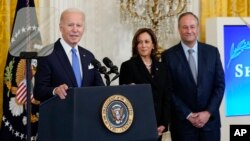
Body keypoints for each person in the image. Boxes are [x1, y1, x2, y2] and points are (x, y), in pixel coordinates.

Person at [161, 12, 225, 141]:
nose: (189, 30)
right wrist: (188, 115)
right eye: (185, 27)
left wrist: (208, 112)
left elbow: (219, 85)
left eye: (192, 26)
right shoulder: (168, 56)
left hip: (210, 124)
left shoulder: (212, 52)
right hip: (183, 126)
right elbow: (168, 90)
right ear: (179, 29)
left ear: (198, 28)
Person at [34, 8, 104, 102]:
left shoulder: (88, 56)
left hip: (86, 114)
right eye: (70, 25)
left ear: (83, 29)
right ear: (61, 28)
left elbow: (101, 89)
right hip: (60, 114)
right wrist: (55, 90)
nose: (75, 30)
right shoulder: (47, 54)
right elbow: (38, 92)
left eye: (79, 25)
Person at [119, 28, 171, 140]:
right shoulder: (127, 66)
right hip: (136, 124)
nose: (143, 45)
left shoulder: (162, 67)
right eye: (140, 42)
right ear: (136, 46)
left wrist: (163, 124)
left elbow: (166, 97)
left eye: (147, 42)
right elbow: (124, 99)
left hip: (158, 125)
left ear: (153, 45)